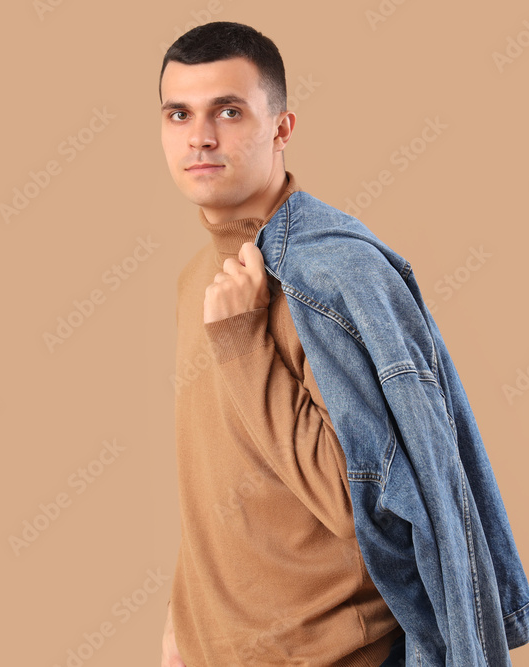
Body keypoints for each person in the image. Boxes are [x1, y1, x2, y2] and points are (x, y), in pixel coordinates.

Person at [159, 21, 406, 666]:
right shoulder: (196, 280)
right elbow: (223, 474)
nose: (200, 136)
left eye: (229, 111)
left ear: (282, 128)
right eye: (179, 113)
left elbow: (366, 505)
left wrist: (244, 346)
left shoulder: (332, 277)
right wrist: (178, 629)